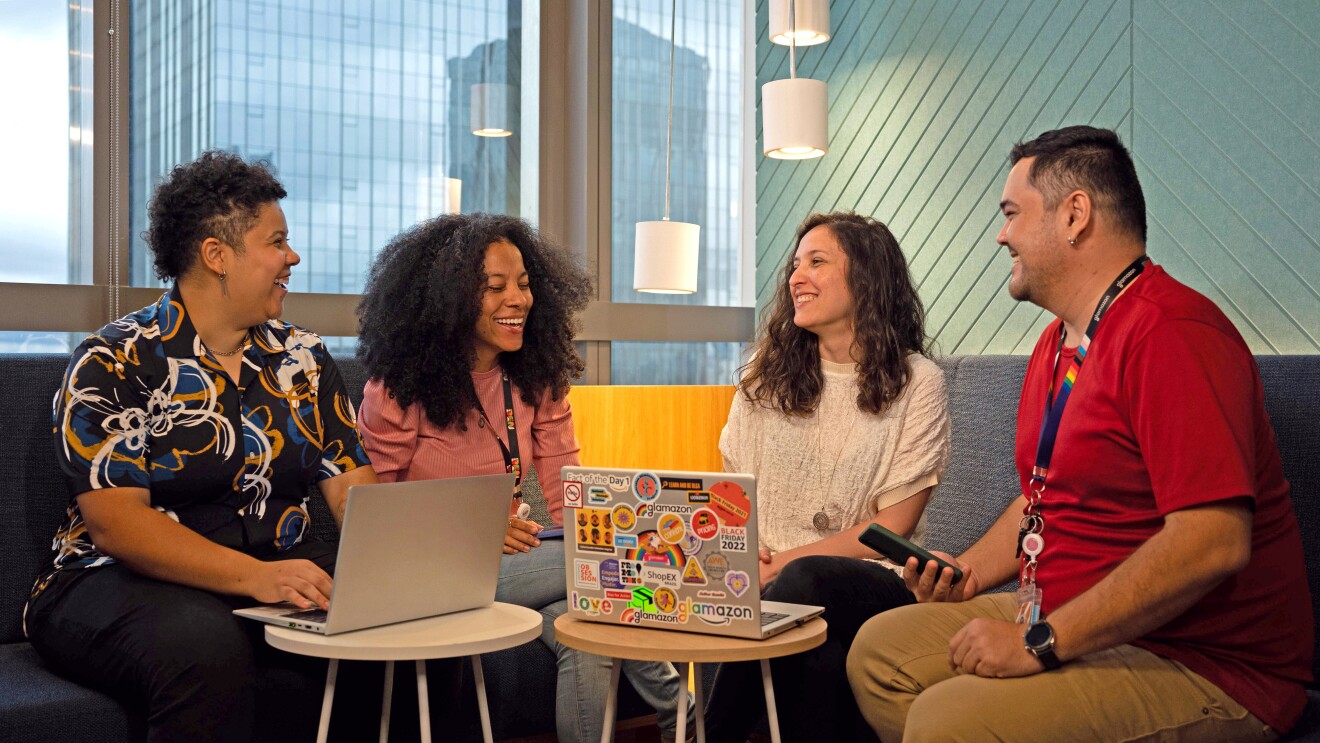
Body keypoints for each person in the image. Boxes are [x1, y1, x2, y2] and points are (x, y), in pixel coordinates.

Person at [846, 125, 1313, 742]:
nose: (1000, 234)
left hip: (1202, 662)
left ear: (1075, 215)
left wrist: (1039, 643)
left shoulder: (1170, 332)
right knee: (878, 654)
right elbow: (1043, 495)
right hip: (1065, 612)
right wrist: (966, 576)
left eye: (1012, 213)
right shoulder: (1058, 341)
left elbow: (1214, 541)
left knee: (947, 721)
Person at [22, 151, 380, 742]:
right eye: (276, 242)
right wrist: (255, 580)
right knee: (203, 644)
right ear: (217, 255)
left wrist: (401, 566)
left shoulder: (303, 358)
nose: (291, 258)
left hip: (272, 560)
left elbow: (353, 493)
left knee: (406, 625)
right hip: (115, 577)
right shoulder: (114, 359)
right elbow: (118, 526)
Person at [355, 213, 691, 743]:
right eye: (495, 287)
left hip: (521, 563)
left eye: (525, 284)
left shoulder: (536, 375)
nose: (518, 299)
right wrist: (478, 530)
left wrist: (587, 538)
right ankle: (688, 715)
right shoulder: (397, 388)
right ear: (447, 298)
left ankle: (681, 717)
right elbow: (377, 518)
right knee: (611, 564)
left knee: (590, 625)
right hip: (431, 570)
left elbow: (568, 494)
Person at [703, 212, 951, 743]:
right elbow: (731, 494)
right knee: (820, 660)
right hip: (769, 580)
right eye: (795, 264)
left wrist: (782, 564)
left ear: (866, 278)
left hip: (873, 580)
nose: (796, 276)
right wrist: (745, 556)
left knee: (807, 578)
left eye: (817, 262)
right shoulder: (762, 378)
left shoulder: (918, 384)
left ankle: (713, 732)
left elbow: (895, 525)